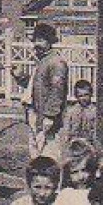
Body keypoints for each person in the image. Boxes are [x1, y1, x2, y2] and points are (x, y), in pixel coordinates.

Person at [23, 22, 69, 161]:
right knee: (36, 150)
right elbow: (36, 86)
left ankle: (51, 180)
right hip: (35, 113)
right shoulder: (42, 61)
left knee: (49, 152)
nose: (37, 44)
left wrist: (50, 115)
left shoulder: (56, 63)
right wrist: (19, 76)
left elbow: (57, 91)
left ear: (49, 42)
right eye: (36, 40)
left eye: (42, 40)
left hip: (47, 116)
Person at [63, 79, 98, 148]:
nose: (83, 98)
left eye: (86, 95)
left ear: (91, 94)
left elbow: (96, 133)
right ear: (76, 96)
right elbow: (66, 131)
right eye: (80, 96)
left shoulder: (95, 112)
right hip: (74, 145)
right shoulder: (71, 111)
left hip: (89, 145)